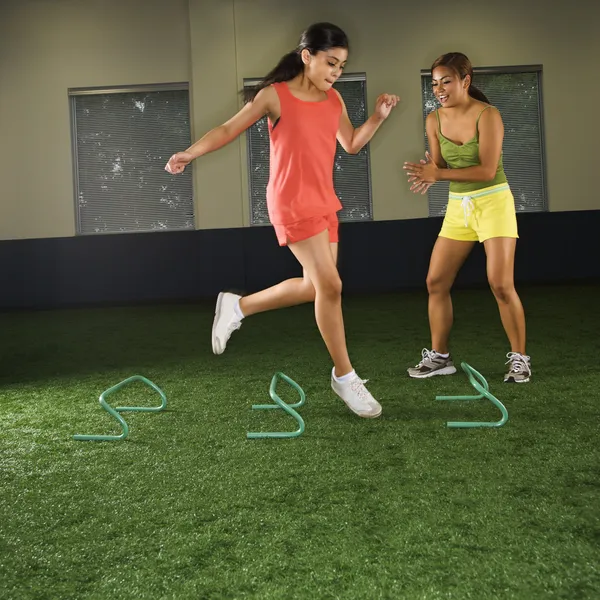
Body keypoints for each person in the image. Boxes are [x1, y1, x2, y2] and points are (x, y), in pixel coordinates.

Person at [165, 22, 400, 416]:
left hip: (325, 201)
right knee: (332, 285)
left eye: (341, 66)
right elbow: (227, 128)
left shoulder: (334, 100)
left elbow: (352, 144)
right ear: (307, 56)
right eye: (330, 63)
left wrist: (377, 116)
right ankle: (344, 376)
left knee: (316, 288)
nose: (335, 73)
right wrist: (190, 153)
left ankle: (238, 307)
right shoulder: (274, 97)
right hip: (291, 201)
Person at [402, 52, 531, 383]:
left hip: (494, 203)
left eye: (446, 81)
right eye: (434, 83)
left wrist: (437, 175)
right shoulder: (433, 120)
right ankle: (440, 357)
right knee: (435, 282)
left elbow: (487, 170)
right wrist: (430, 171)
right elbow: (443, 168)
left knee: (501, 284)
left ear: (465, 81)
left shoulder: (488, 115)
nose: (439, 89)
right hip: (459, 207)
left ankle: (520, 359)